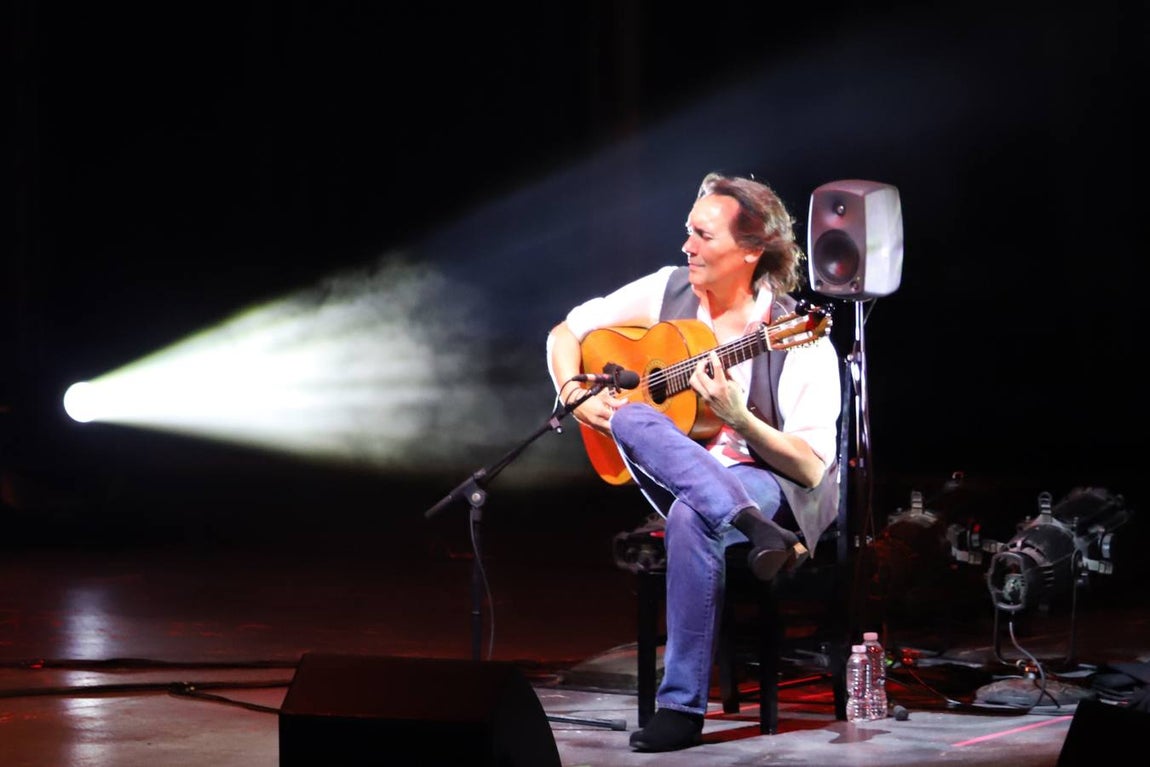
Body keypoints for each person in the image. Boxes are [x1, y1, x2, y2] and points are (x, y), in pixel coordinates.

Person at [545, 171, 842, 752]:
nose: (688, 247)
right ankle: (754, 530)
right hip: (701, 486)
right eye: (688, 231)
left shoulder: (798, 336)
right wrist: (576, 397)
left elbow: (810, 469)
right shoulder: (666, 289)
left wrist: (739, 418)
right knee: (630, 417)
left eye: (704, 236)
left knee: (689, 517)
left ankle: (679, 708)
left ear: (752, 250)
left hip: (772, 485)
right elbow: (565, 331)